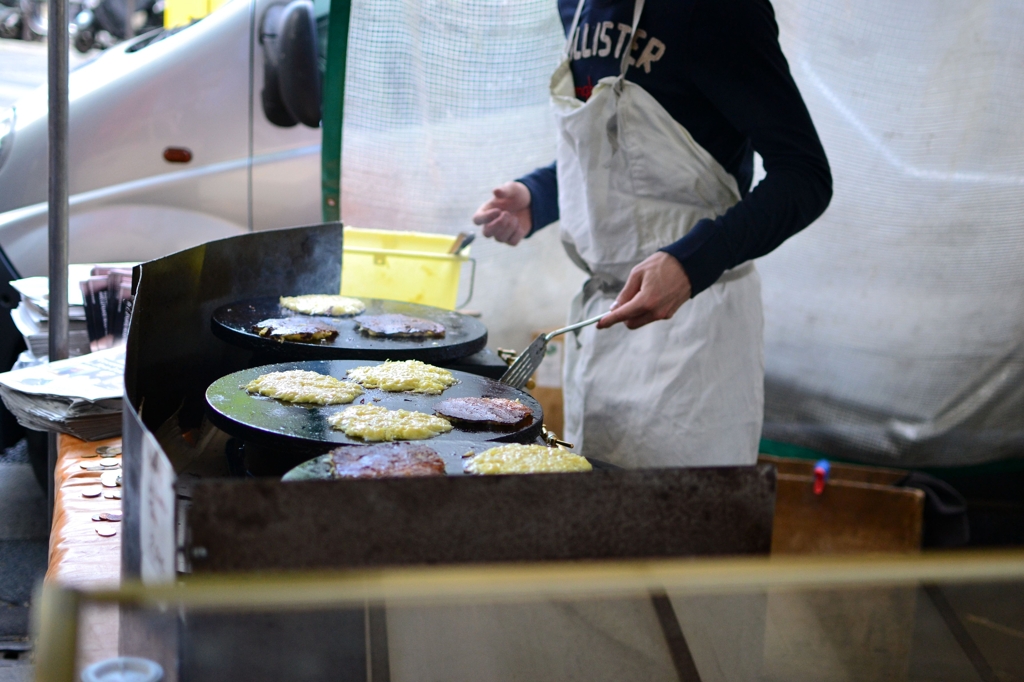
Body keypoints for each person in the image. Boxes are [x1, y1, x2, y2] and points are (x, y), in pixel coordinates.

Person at [473, 0, 831, 468]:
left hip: (694, 334)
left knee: (676, 529)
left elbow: (804, 176)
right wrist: (539, 194)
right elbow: (624, 150)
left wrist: (691, 262)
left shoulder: (719, 12)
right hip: (601, 324)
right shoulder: (578, 7)